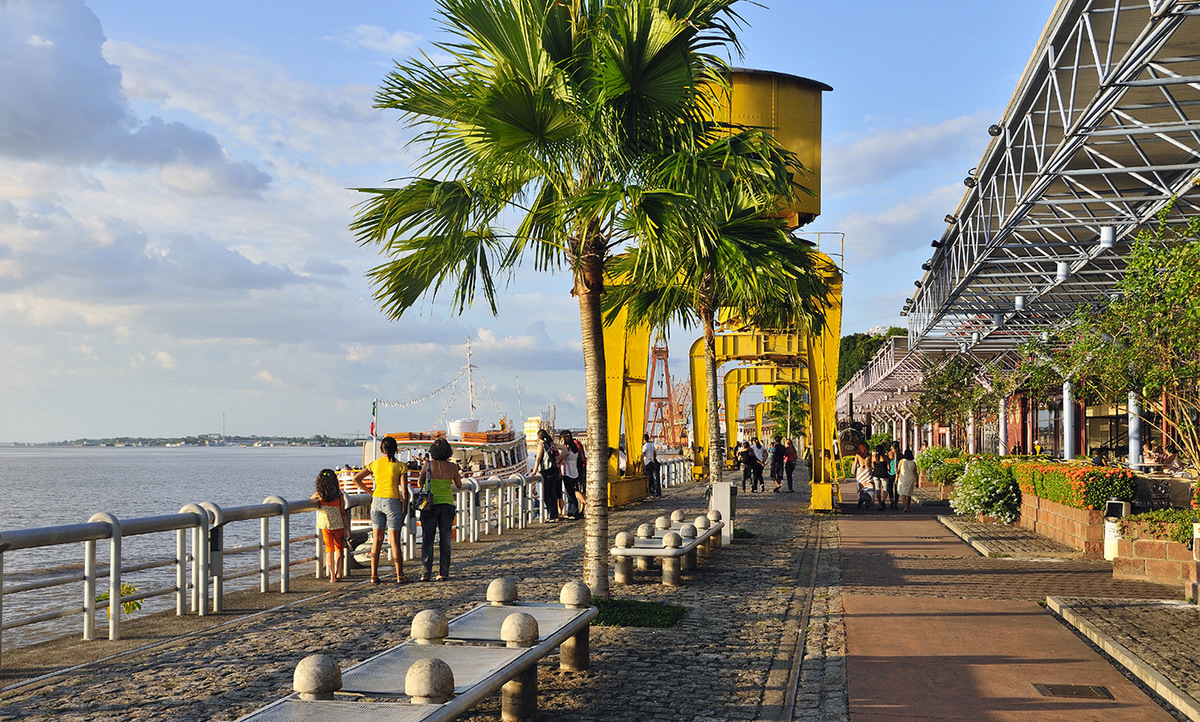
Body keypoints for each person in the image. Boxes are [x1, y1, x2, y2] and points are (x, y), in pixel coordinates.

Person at [352, 436, 409, 584]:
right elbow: (404, 491)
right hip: (392, 501)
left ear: (382, 449)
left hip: (376, 502)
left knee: (376, 541)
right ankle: (400, 575)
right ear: (396, 449)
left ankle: (373, 575)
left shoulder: (375, 464)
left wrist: (371, 492)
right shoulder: (401, 466)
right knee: (394, 541)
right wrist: (405, 508)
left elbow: (356, 479)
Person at [419, 437, 464, 581]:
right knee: (445, 540)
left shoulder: (428, 465)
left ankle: (426, 573)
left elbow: (420, 482)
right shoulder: (452, 467)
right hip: (447, 505)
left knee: (428, 539)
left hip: (430, 506)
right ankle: (443, 572)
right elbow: (458, 485)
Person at [312, 468, 349, 583]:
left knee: (329, 549)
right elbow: (343, 512)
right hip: (338, 524)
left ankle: (332, 576)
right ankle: (339, 573)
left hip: (325, 525)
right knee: (339, 548)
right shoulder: (339, 494)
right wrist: (348, 529)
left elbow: (311, 500)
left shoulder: (320, 494)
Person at [535, 429, 563, 522]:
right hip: (554, 471)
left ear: (539, 437)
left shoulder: (541, 445)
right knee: (553, 494)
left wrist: (534, 471)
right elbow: (564, 449)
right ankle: (555, 516)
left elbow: (538, 458)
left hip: (546, 471)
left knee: (546, 495)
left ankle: (552, 516)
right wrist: (559, 459)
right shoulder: (551, 444)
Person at [561, 430, 588, 518]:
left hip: (567, 472)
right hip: (575, 472)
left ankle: (573, 512)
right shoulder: (575, 448)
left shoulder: (567, 449)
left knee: (570, 494)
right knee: (572, 492)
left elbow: (560, 460)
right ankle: (572, 512)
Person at [853, 442, 875, 509]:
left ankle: (860, 499)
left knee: (860, 486)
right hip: (867, 470)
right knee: (869, 485)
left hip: (860, 470)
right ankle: (868, 500)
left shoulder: (858, 455)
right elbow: (872, 465)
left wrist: (854, 472)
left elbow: (855, 464)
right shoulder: (869, 455)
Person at [872, 444, 891, 511]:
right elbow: (889, 467)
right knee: (885, 489)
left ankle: (880, 504)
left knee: (877, 489)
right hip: (884, 474)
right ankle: (883, 501)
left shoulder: (874, 457)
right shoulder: (885, 457)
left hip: (876, 474)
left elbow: (873, 466)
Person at [642, 433, 660, 497]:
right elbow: (655, 454)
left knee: (648, 478)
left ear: (644, 439)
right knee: (652, 477)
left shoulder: (645, 446)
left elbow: (643, 454)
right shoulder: (652, 446)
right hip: (652, 462)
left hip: (647, 463)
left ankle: (650, 492)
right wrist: (652, 458)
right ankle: (654, 491)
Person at [888, 441, 902, 510]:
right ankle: (896, 501)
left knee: (890, 487)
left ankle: (891, 499)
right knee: (897, 488)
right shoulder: (900, 455)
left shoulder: (890, 454)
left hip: (891, 472)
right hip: (898, 472)